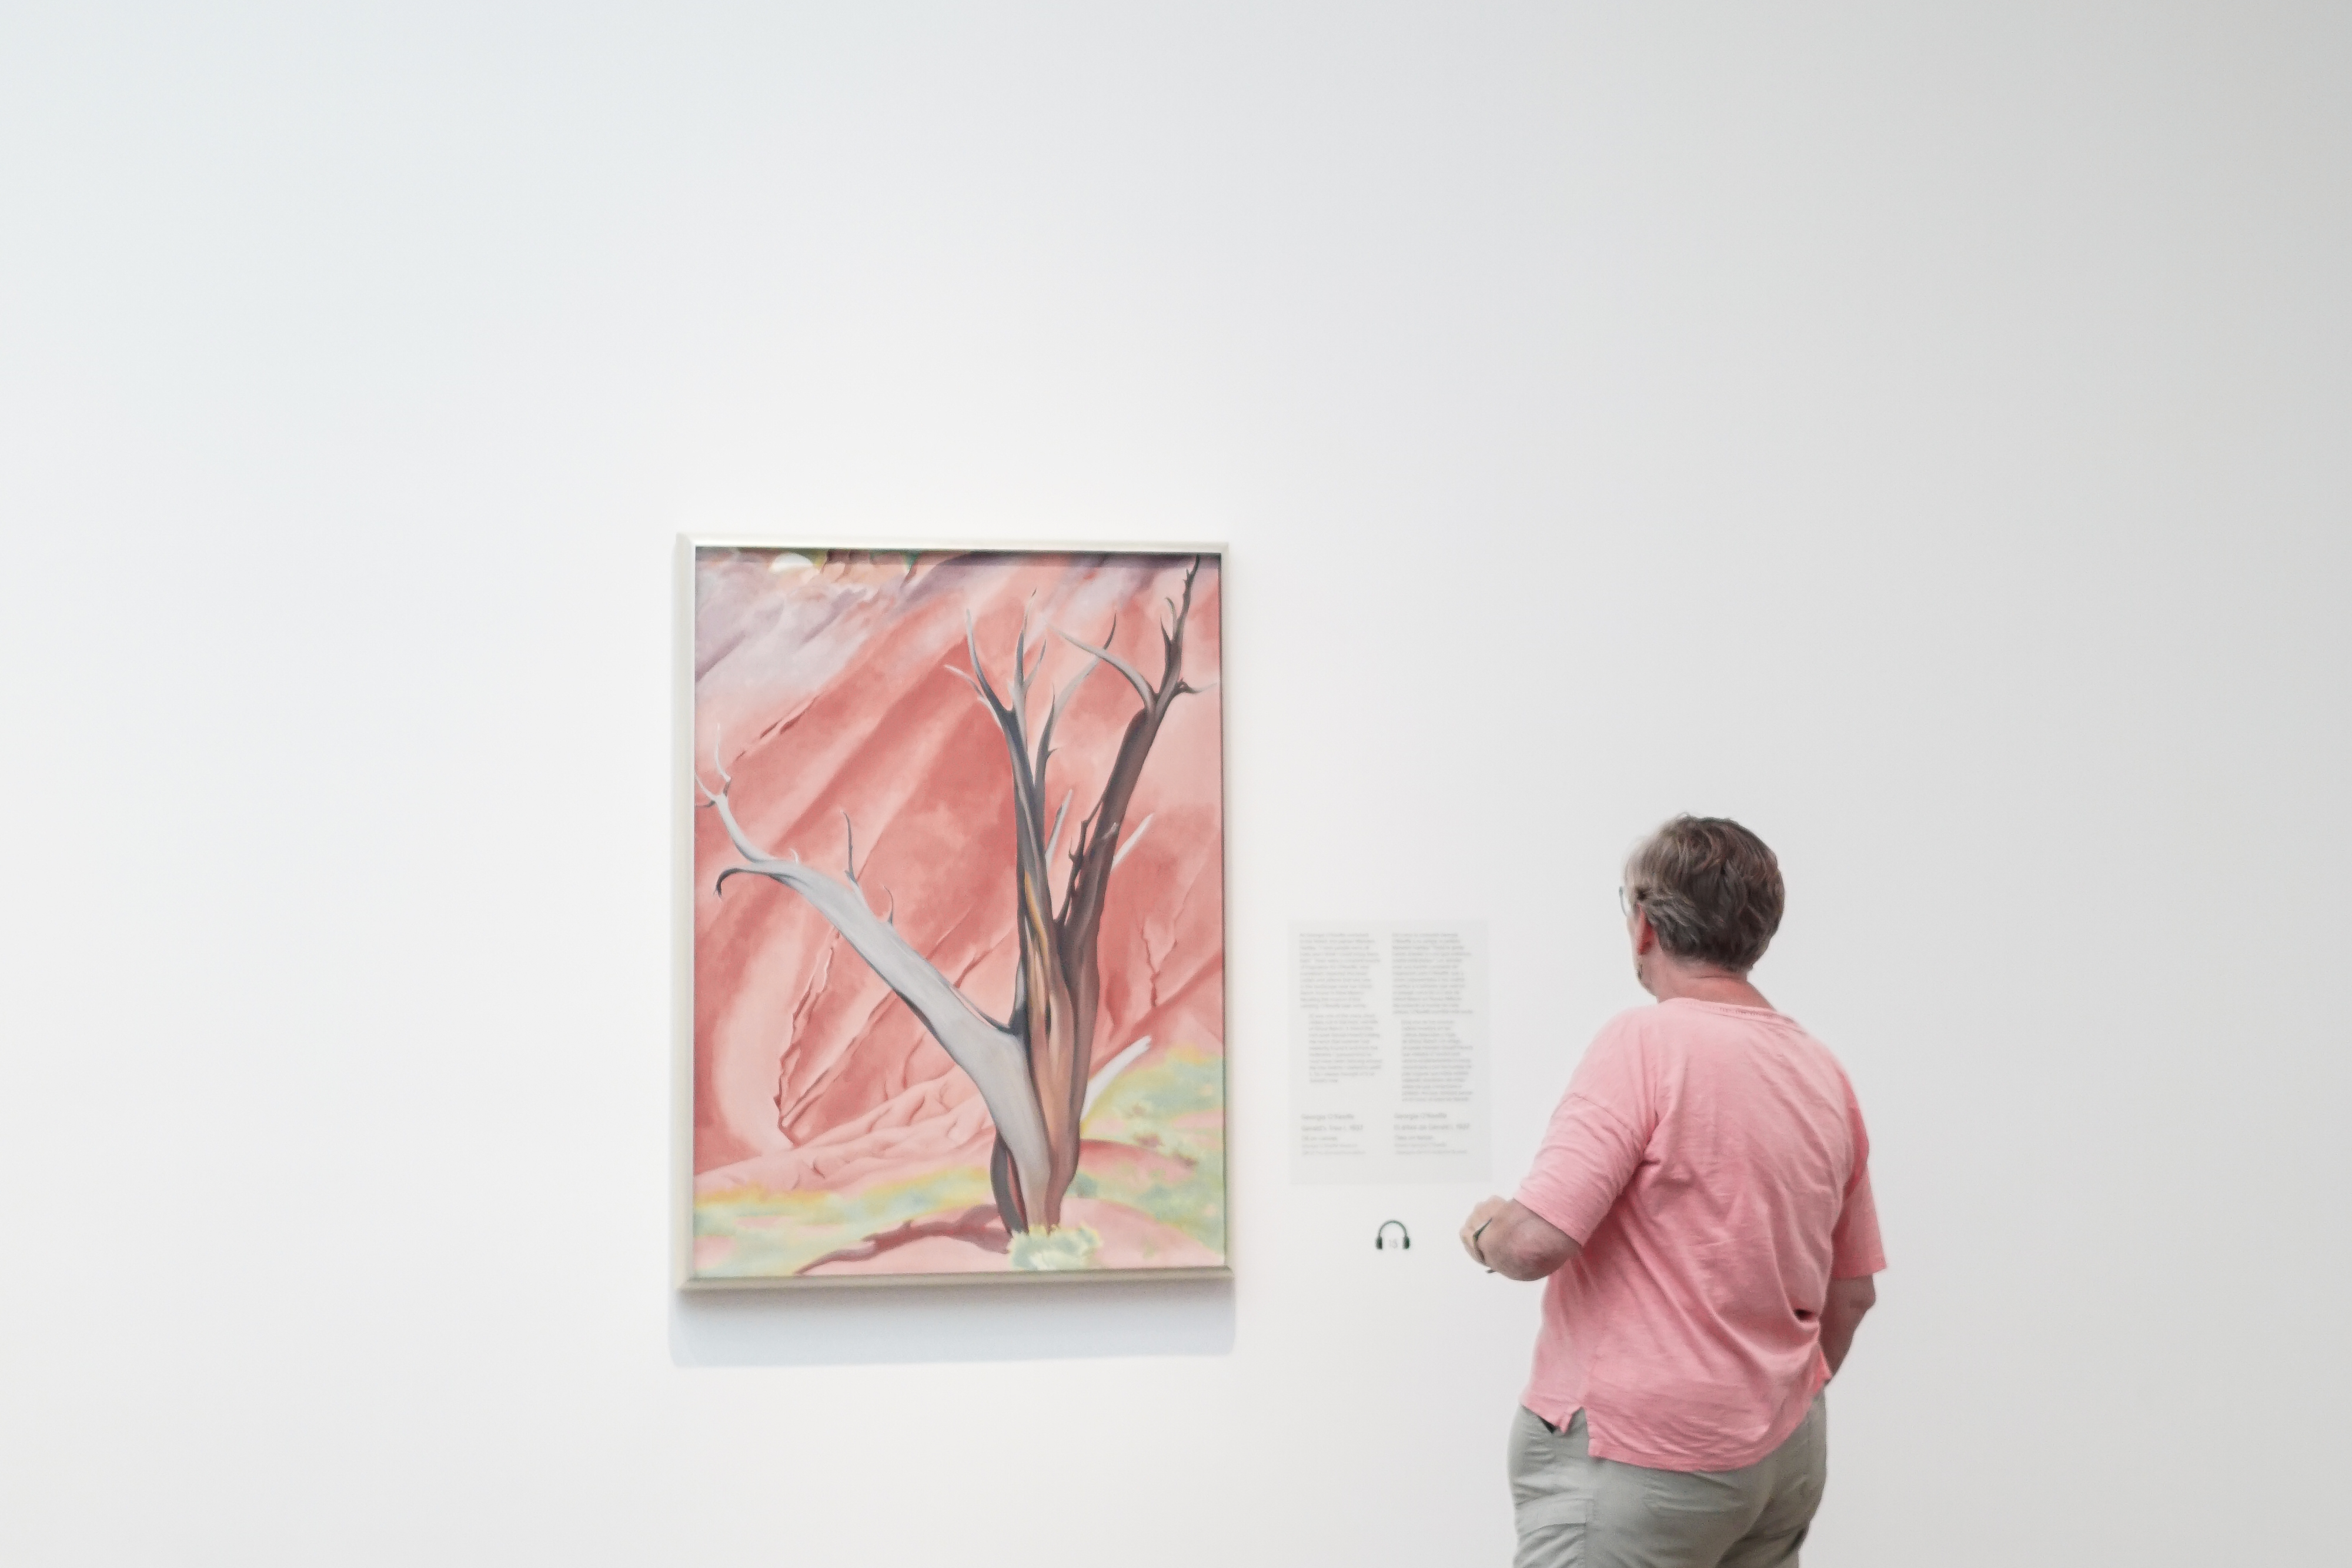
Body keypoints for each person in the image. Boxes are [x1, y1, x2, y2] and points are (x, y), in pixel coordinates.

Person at [1459, 815, 1884, 1568]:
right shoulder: (1822, 1071)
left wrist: (1485, 1230)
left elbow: (1533, 1246)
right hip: (1782, 1464)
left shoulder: (1646, 1042)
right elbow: (1851, 1296)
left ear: (1645, 926)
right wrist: (1764, 1410)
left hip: (1640, 1457)